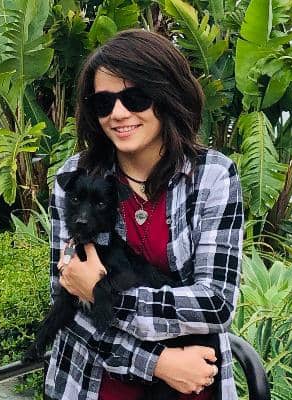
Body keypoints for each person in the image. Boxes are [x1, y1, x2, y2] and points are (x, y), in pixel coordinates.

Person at [44, 29, 244, 400]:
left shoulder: (212, 177)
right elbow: (65, 296)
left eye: (135, 98)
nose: (118, 114)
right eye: (104, 103)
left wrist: (104, 298)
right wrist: (155, 362)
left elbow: (215, 305)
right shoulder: (75, 178)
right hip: (89, 385)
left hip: (190, 385)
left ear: (167, 97)